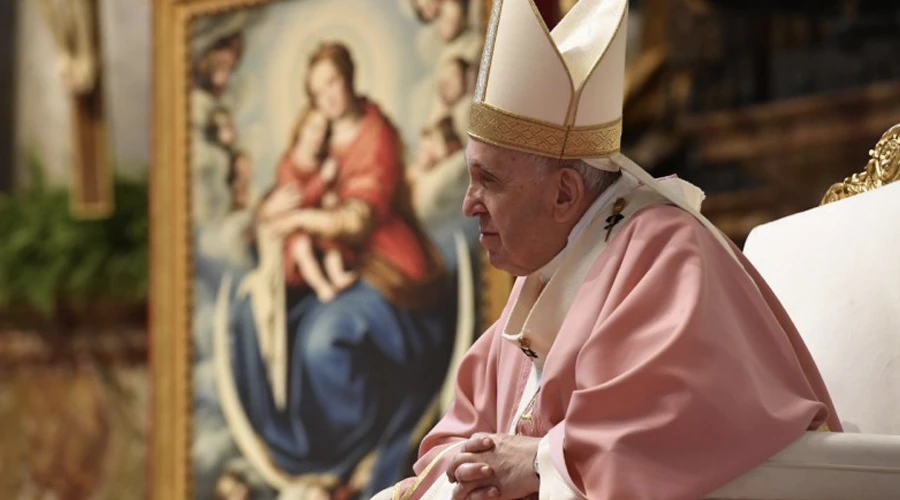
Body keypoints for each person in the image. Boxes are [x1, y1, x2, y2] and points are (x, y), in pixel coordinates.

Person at [375, 1, 841, 499]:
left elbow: (684, 425)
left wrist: (537, 461)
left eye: (487, 181)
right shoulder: (542, 277)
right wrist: (468, 472)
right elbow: (453, 441)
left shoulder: (668, 254)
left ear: (565, 194)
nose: (469, 205)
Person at [224, 42, 453, 500]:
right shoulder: (321, 136)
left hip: (388, 266)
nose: (326, 96)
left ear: (348, 77)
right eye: (316, 90)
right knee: (265, 323)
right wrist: (274, 212)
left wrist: (294, 219)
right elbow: (292, 188)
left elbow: (357, 221)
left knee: (321, 341)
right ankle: (311, 446)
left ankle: (348, 445)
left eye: (330, 82)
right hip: (341, 266)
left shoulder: (375, 133)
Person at [274, 107, 357, 302]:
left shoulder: (320, 162)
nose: (317, 136)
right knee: (301, 245)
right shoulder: (287, 164)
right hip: (293, 227)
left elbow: (324, 195)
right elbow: (297, 201)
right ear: (301, 128)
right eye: (313, 128)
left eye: (323, 131)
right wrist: (322, 180)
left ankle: (337, 275)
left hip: (313, 221)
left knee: (330, 232)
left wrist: (330, 196)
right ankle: (321, 286)